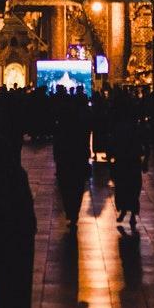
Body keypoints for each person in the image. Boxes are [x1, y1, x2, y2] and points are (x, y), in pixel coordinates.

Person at [0, 132, 36, 308]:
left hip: (8, 234)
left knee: (4, 278)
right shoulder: (17, 174)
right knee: (19, 281)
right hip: (22, 233)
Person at [53, 90, 91, 226]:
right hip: (78, 159)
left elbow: (57, 143)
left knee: (66, 187)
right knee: (77, 187)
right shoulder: (81, 125)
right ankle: (74, 212)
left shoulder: (62, 127)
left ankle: (71, 211)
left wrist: (57, 157)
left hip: (65, 159)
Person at [110, 104, 149, 231]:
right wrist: (145, 161)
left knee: (123, 187)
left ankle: (125, 211)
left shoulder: (119, 128)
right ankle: (131, 213)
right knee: (133, 188)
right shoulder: (137, 128)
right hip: (132, 160)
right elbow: (146, 145)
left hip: (123, 159)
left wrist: (111, 157)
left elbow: (113, 143)